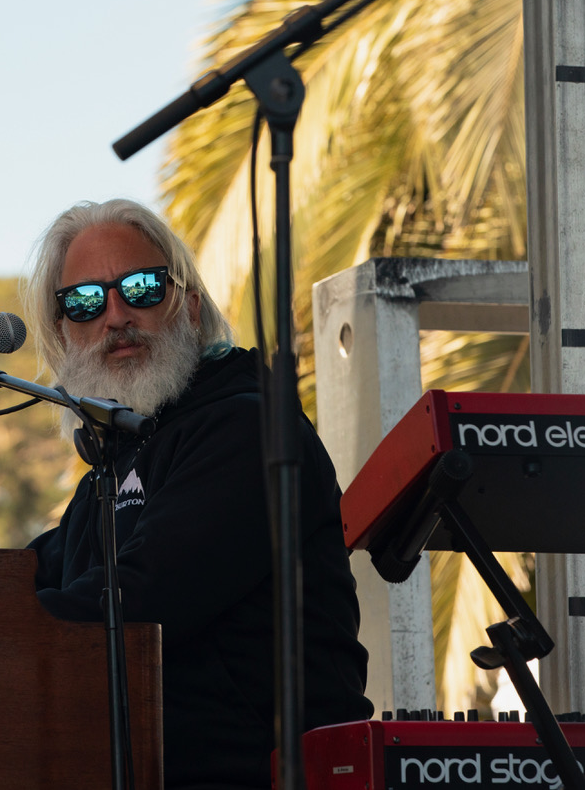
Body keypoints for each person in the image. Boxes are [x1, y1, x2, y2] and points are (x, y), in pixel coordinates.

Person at [22, 198, 373, 789]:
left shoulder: (251, 429)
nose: (115, 316)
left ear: (187, 307)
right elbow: (27, 580)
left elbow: (146, 594)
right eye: (84, 301)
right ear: (64, 334)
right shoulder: (102, 482)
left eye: (140, 288)